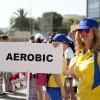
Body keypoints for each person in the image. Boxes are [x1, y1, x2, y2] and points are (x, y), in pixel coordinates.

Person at [53, 18, 100, 100]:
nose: (83, 33)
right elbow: (66, 72)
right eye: (81, 30)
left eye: (87, 30)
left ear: (95, 31)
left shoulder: (98, 54)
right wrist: (58, 52)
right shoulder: (81, 54)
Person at [46, 33, 72, 100]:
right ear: (60, 43)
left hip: (55, 86)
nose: (68, 45)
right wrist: (62, 88)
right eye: (66, 42)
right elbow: (56, 74)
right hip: (54, 86)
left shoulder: (59, 53)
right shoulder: (56, 54)